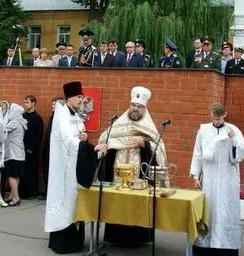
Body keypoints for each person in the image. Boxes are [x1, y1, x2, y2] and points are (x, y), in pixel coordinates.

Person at [98, 86, 168, 248]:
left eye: (139, 106)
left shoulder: (148, 126)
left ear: (144, 109)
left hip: (139, 172)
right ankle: (115, 235)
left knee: (138, 203)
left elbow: (160, 149)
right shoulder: (119, 122)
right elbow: (104, 139)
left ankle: (138, 237)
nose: (135, 109)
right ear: (129, 105)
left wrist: (145, 144)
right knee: (118, 200)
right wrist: (108, 146)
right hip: (118, 171)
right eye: (133, 105)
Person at [44, 81, 107, 254]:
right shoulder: (61, 115)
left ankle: (76, 241)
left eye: (81, 96)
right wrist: (90, 147)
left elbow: (79, 137)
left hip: (74, 165)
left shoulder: (76, 116)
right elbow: (67, 140)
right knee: (64, 201)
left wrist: (85, 139)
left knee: (74, 201)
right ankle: (63, 243)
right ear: (69, 97)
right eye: (79, 97)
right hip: (64, 168)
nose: (82, 100)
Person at [189, 103, 244, 256]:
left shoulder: (233, 130)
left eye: (219, 118)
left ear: (224, 115)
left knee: (224, 211)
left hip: (227, 178)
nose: (216, 121)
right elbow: (198, 152)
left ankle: (224, 245)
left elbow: (241, 153)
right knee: (209, 209)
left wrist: (234, 140)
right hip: (209, 177)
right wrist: (196, 175)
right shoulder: (204, 130)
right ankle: (204, 245)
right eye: (214, 118)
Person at [3, 103, 28, 206]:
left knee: (10, 175)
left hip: (13, 153)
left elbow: (3, 129)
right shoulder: (21, 121)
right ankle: (12, 196)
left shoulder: (14, 122)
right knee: (16, 176)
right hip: (20, 153)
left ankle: (16, 198)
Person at [20, 95, 44, 199]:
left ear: (33, 103)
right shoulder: (23, 116)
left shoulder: (38, 118)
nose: (25, 104)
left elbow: (39, 135)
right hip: (21, 148)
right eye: (25, 102)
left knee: (31, 171)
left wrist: (33, 148)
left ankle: (30, 192)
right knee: (22, 171)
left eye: (27, 102)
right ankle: (21, 192)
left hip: (32, 150)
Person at [42, 96, 65, 197]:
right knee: (47, 173)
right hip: (48, 150)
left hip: (57, 152)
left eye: (54, 104)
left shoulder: (62, 119)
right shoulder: (52, 117)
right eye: (52, 104)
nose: (52, 106)